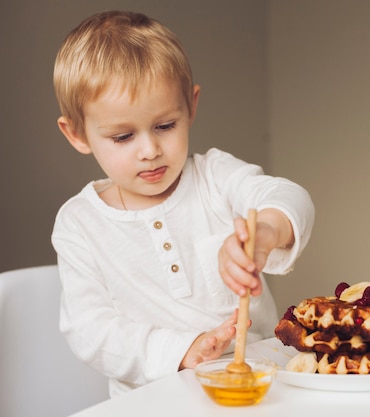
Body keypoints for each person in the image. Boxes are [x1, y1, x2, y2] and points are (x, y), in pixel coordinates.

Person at [51, 10, 314, 397]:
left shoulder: (215, 176)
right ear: (77, 134)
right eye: (123, 137)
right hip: (153, 398)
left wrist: (267, 233)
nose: (150, 150)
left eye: (165, 126)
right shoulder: (79, 223)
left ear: (190, 107)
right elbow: (90, 331)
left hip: (258, 387)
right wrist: (181, 350)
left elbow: (289, 196)